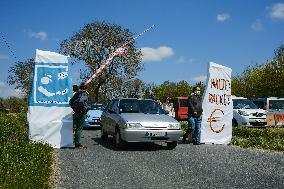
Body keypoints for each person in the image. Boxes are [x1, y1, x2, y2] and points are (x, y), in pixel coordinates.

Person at [69, 82, 90, 148]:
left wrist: (74, 108)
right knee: (79, 128)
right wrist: (87, 108)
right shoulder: (85, 93)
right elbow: (82, 103)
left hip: (75, 112)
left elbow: (70, 102)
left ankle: (70, 140)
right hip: (81, 113)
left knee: (72, 127)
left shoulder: (77, 93)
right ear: (86, 87)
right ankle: (77, 143)